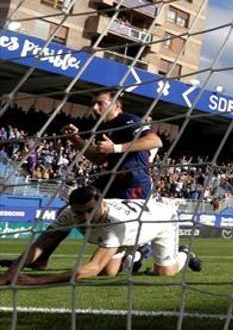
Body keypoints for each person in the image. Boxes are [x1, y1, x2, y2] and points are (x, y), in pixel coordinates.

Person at [1, 91, 162, 271]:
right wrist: (75, 139)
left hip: (133, 184)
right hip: (109, 179)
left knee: (108, 270)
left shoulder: (129, 120)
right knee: (68, 211)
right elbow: (98, 158)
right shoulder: (103, 127)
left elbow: (155, 141)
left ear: (116, 105)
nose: (94, 108)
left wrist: (115, 147)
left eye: (100, 103)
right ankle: (40, 259)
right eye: (93, 104)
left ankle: (137, 253)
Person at [0, 185, 201, 287]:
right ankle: (137, 255)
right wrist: (12, 272)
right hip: (126, 233)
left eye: (89, 210)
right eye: (78, 212)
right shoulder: (69, 214)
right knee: (109, 273)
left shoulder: (116, 223)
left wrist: (38, 281)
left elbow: (92, 268)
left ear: (101, 204)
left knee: (165, 272)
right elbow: (42, 243)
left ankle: (184, 253)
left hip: (161, 221)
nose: (83, 218)